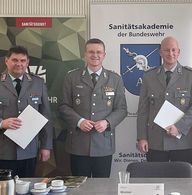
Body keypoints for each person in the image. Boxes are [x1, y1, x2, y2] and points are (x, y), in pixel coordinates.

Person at [59, 38, 127, 178]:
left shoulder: (115, 79)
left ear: (104, 55)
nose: (95, 55)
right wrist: (79, 121)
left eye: (98, 52)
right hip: (78, 144)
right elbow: (63, 106)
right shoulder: (72, 77)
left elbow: (121, 109)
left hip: (103, 144)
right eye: (91, 52)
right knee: (78, 187)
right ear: (85, 54)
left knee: (101, 188)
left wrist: (107, 122)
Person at [137, 36, 192, 164]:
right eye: (166, 50)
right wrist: (142, 137)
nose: (170, 53)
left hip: (181, 141)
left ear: (179, 52)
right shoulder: (149, 76)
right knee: (156, 181)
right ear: (160, 53)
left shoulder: (191, 77)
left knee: (181, 182)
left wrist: (179, 127)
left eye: (173, 50)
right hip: (155, 141)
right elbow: (143, 110)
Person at [0, 45, 53, 177]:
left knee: (27, 188)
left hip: (29, 149)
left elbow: (45, 116)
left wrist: (46, 146)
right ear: (6, 61)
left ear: (27, 62)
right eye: (15, 60)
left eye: (22, 61)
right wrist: (1, 123)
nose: (19, 64)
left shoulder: (38, 83)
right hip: (3, 150)